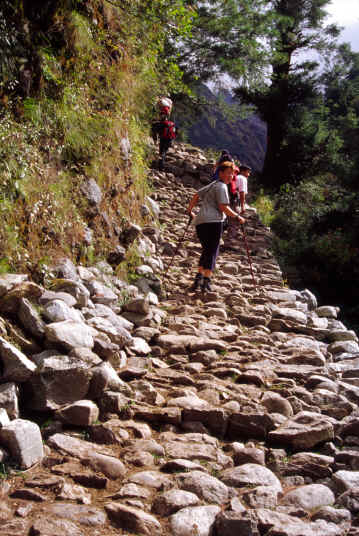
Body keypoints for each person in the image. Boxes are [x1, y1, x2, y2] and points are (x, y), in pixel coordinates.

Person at [187, 161, 245, 291]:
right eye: (228, 173)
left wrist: (190, 210)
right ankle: (206, 282)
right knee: (213, 251)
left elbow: (196, 195)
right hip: (213, 222)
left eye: (233, 174)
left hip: (200, 222)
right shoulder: (222, 187)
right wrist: (237, 217)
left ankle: (198, 279)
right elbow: (223, 207)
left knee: (207, 250)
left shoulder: (213, 184)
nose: (231, 176)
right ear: (221, 173)